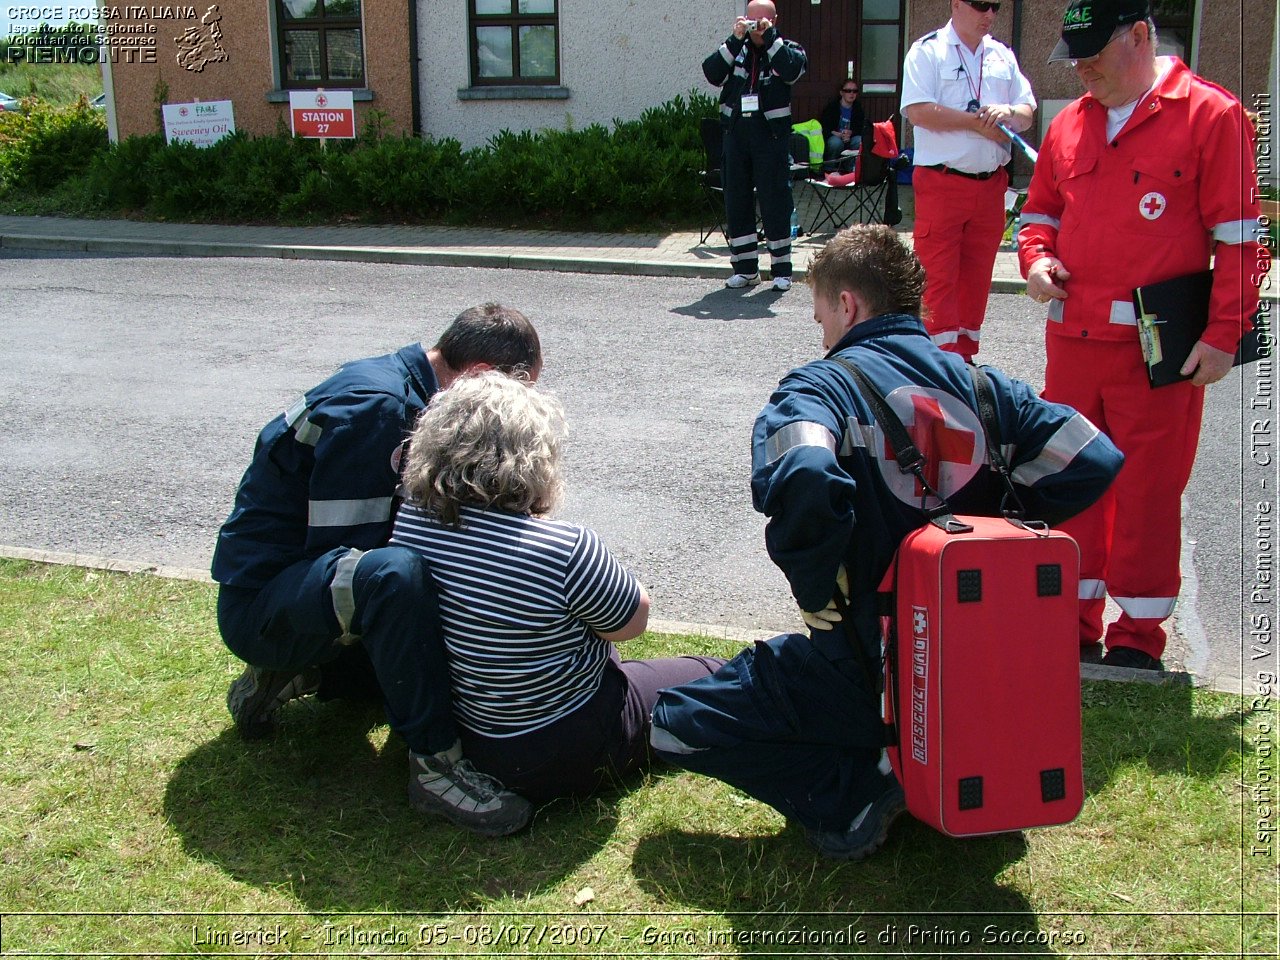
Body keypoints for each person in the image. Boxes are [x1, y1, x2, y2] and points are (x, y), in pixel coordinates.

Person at [650, 225, 1122, 860]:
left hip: (861, 661)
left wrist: (816, 583)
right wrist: (999, 531)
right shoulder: (984, 388)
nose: (821, 334)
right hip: (972, 668)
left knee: (673, 726)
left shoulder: (821, 387)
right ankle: (923, 765)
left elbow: (808, 474)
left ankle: (857, 790)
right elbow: (1093, 456)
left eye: (820, 316)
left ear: (847, 304)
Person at [211, 304, 542, 837]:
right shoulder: (379, 409)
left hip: (298, 590)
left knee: (411, 591)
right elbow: (357, 555)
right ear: (481, 374)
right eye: (517, 391)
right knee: (397, 578)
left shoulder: (405, 388)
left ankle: (298, 673)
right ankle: (437, 767)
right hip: (263, 610)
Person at [1018, 0, 1267, 670]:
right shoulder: (1070, 123)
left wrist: (1223, 333)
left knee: (1147, 497)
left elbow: (1243, 241)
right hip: (1072, 349)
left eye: (1094, 51)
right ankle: (1068, 621)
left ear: (1139, 35)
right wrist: (1037, 261)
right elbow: (1036, 214)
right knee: (1067, 488)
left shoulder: (1210, 117)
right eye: (1072, 54)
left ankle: (1137, 637)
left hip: (1157, 355)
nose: (1080, 68)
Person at [389, 373, 725, 804]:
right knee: (710, 671)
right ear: (531, 457)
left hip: (464, 740)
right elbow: (631, 622)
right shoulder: (561, 547)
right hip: (558, 752)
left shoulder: (410, 522)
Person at [901, 0, 1035, 360]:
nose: (989, 15)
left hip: (991, 184)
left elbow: (1027, 111)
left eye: (995, 7)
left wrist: (1009, 112)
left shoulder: (1001, 55)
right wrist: (976, 123)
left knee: (976, 280)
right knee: (938, 280)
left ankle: (964, 358)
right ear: (956, 4)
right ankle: (935, 363)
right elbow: (918, 111)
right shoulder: (928, 51)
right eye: (980, 5)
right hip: (943, 182)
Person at [704, 0, 808, 293]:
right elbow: (712, 73)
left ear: (775, 20)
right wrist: (734, 39)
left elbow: (790, 71)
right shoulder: (736, 49)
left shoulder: (788, 48)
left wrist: (771, 38)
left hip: (770, 138)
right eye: (751, 20)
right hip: (736, 135)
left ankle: (782, 270)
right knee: (736, 201)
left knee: (775, 200)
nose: (756, 26)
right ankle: (746, 269)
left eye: (762, 20)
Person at [819, 79, 866, 169]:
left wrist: (851, 133)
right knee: (835, 142)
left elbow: (861, 127)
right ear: (841, 93)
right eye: (848, 91)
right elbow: (824, 126)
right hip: (835, 136)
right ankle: (829, 168)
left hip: (851, 138)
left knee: (859, 141)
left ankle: (851, 168)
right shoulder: (832, 107)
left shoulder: (858, 108)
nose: (851, 94)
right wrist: (837, 134)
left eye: (855, 91)